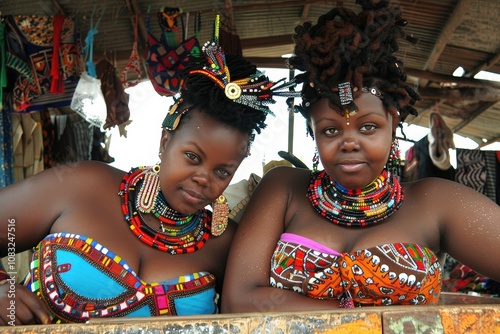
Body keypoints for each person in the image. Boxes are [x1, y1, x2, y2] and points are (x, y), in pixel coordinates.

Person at [0, 15, 296, 325]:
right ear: (165, 141)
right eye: (193, 157)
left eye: (223, 172)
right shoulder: (82, 185)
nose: (203, 178)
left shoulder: (226, 244)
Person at [221, 0, 500, 312]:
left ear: (393, 124)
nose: (349, 142)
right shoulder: (283, 188)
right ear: (313, 134)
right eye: (330, 130)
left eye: (368, 127)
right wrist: (364, 322)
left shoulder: (437, 203)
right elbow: (238, 300)